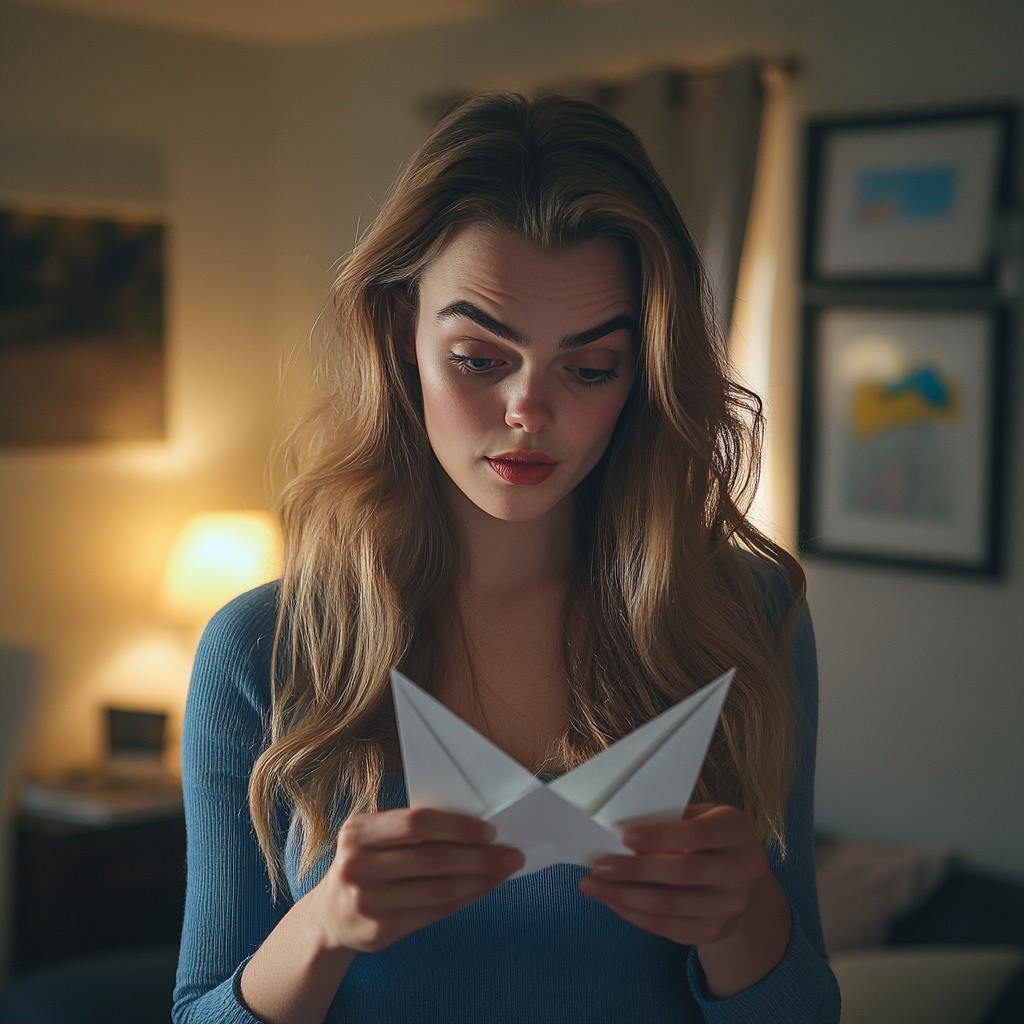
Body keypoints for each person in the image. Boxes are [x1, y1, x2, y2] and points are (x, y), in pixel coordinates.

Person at [172, 93, 840, 1024]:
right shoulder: (262, 651)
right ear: (400, 335)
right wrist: (320, 925)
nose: (529, 409)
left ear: (640, 373)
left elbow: (804, 1011)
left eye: (590, 367)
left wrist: (745, 921)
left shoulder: (743, 614)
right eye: (481, 358)